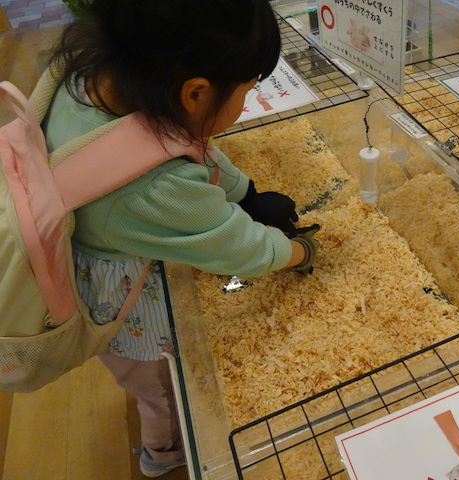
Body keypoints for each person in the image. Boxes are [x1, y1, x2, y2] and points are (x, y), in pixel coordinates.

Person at [41, 0, 318, 477]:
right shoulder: (151, 187)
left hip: (99, 243)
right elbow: (237, 247)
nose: (246, 103)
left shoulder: (95, 77)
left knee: (152, 383)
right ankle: (164, 452)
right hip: (121, 309)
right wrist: (298, 252)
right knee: (163, 391)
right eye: (247, 91)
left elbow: (188, 145)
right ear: (195, 93)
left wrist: (246, 193)